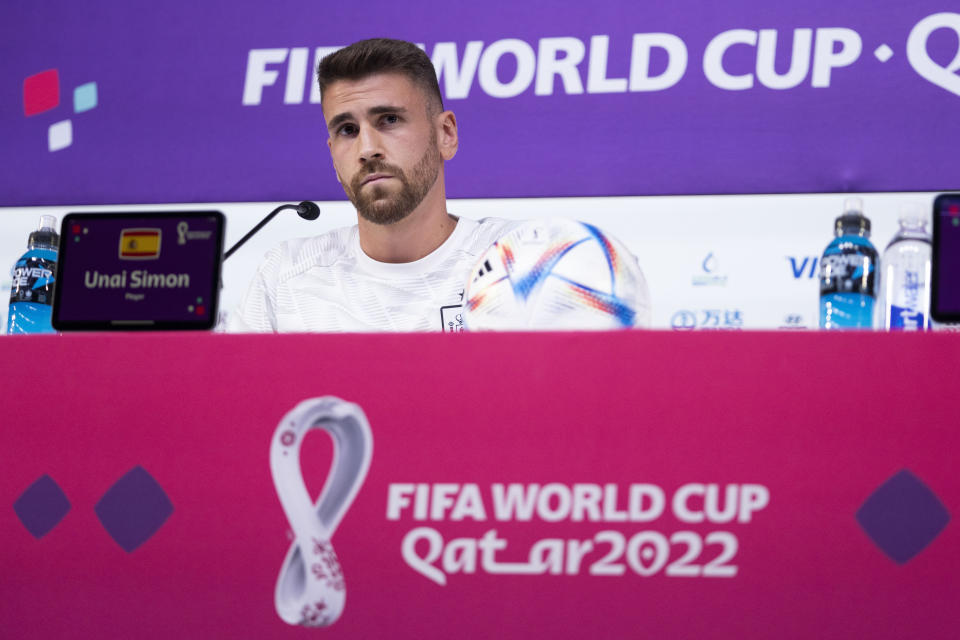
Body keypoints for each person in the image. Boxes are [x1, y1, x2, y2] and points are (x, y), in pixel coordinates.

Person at [228, 38, 518, 332]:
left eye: (389, 119)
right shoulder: (285, 279)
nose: (367, 149)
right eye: (348, 130)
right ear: (332, 155)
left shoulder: (517, 261)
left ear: (446, 134)